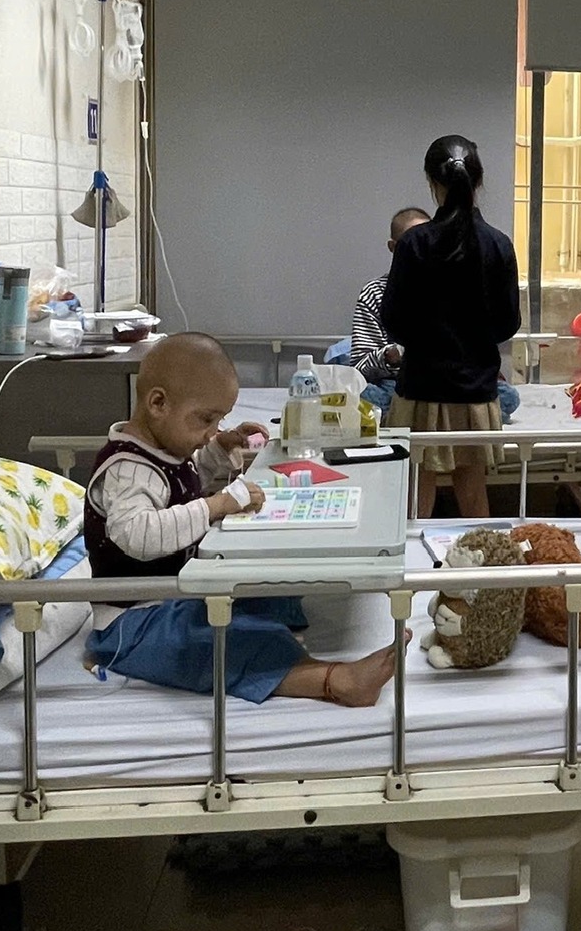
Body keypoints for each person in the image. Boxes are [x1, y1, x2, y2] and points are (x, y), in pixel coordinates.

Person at [82, 332, 401, 706]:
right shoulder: (127, 470)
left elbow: (183, 485)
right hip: (131, 625)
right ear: (158, 403)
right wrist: (216, 506)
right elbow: (139, 535)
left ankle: (276, 627)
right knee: (226, 641)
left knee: (261, 586)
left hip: (175, 598)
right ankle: (336, 680)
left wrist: (220, 449)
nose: (210, 432)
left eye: (218, 421)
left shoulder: (163, 450)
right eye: (206, 420)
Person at [381, 135, 521, 518]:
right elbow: (508, 322)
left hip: (421, 387)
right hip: (476, 390)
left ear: (432, 182)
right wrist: (470, 343)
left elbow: (393, 319)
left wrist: (430, 341)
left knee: (415, 499)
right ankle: (482, 558)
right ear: (478, 180)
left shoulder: (414, 244)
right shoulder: (498, 244)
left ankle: (408, 560)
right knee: (474, 494)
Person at [351, 207, 431, 385]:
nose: (420, 250)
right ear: (393, 247)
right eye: (411, 243)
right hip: (395, 384)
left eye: (426, 242)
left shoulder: (452, 289)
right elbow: (359, 367)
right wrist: (391, 355)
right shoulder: (375, 293)